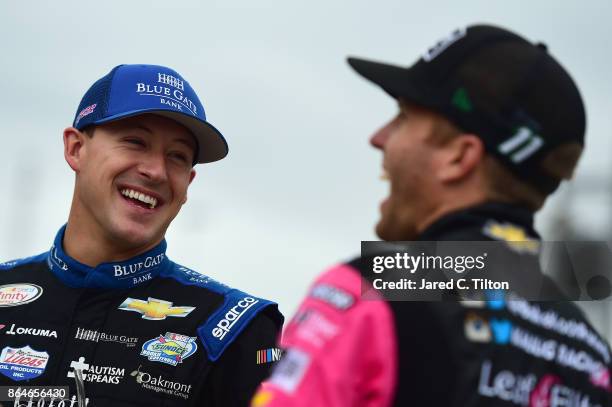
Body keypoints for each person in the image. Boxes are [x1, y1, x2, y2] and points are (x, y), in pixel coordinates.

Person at [251, 25, 612, 407]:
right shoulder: (591, 354)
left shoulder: (370, 290)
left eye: (403, 117)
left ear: (458, 157)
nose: (379, 137)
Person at [0, 64, 283, 407]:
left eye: (177, 156)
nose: (156, 171)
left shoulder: (236, 327)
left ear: (188, 184)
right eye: (135, 142)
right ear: (76, 149)